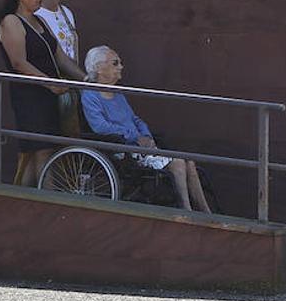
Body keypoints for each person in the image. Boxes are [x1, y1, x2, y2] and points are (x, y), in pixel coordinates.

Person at [80, 45, 212, 213]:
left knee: (190, 163)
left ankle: (207, 212)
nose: (121, 66)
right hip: (121, 148)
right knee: (178, 164)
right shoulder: (90, 95)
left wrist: (146, 135)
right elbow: (100, 127)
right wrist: (134, 137)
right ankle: (187, 211)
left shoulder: (117, 93)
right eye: (115, 63)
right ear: (99, 68)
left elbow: (135, 119)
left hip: (139, 144)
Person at [0, 0, 85, 186]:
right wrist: (49, 82)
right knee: (38, 151)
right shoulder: (11, 22)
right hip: (29, 95)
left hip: (49, 95)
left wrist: (86, 79)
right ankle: (44, 199)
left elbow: (60, 58)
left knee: (42, 151)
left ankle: (26, 198)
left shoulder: (40, 22)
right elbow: (19, 62)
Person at [34, 0, 80, 137]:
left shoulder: (67, 12)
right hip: (50, 84)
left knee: (72, 133)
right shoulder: (36, 15)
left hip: (71, 83)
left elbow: (73, 45)